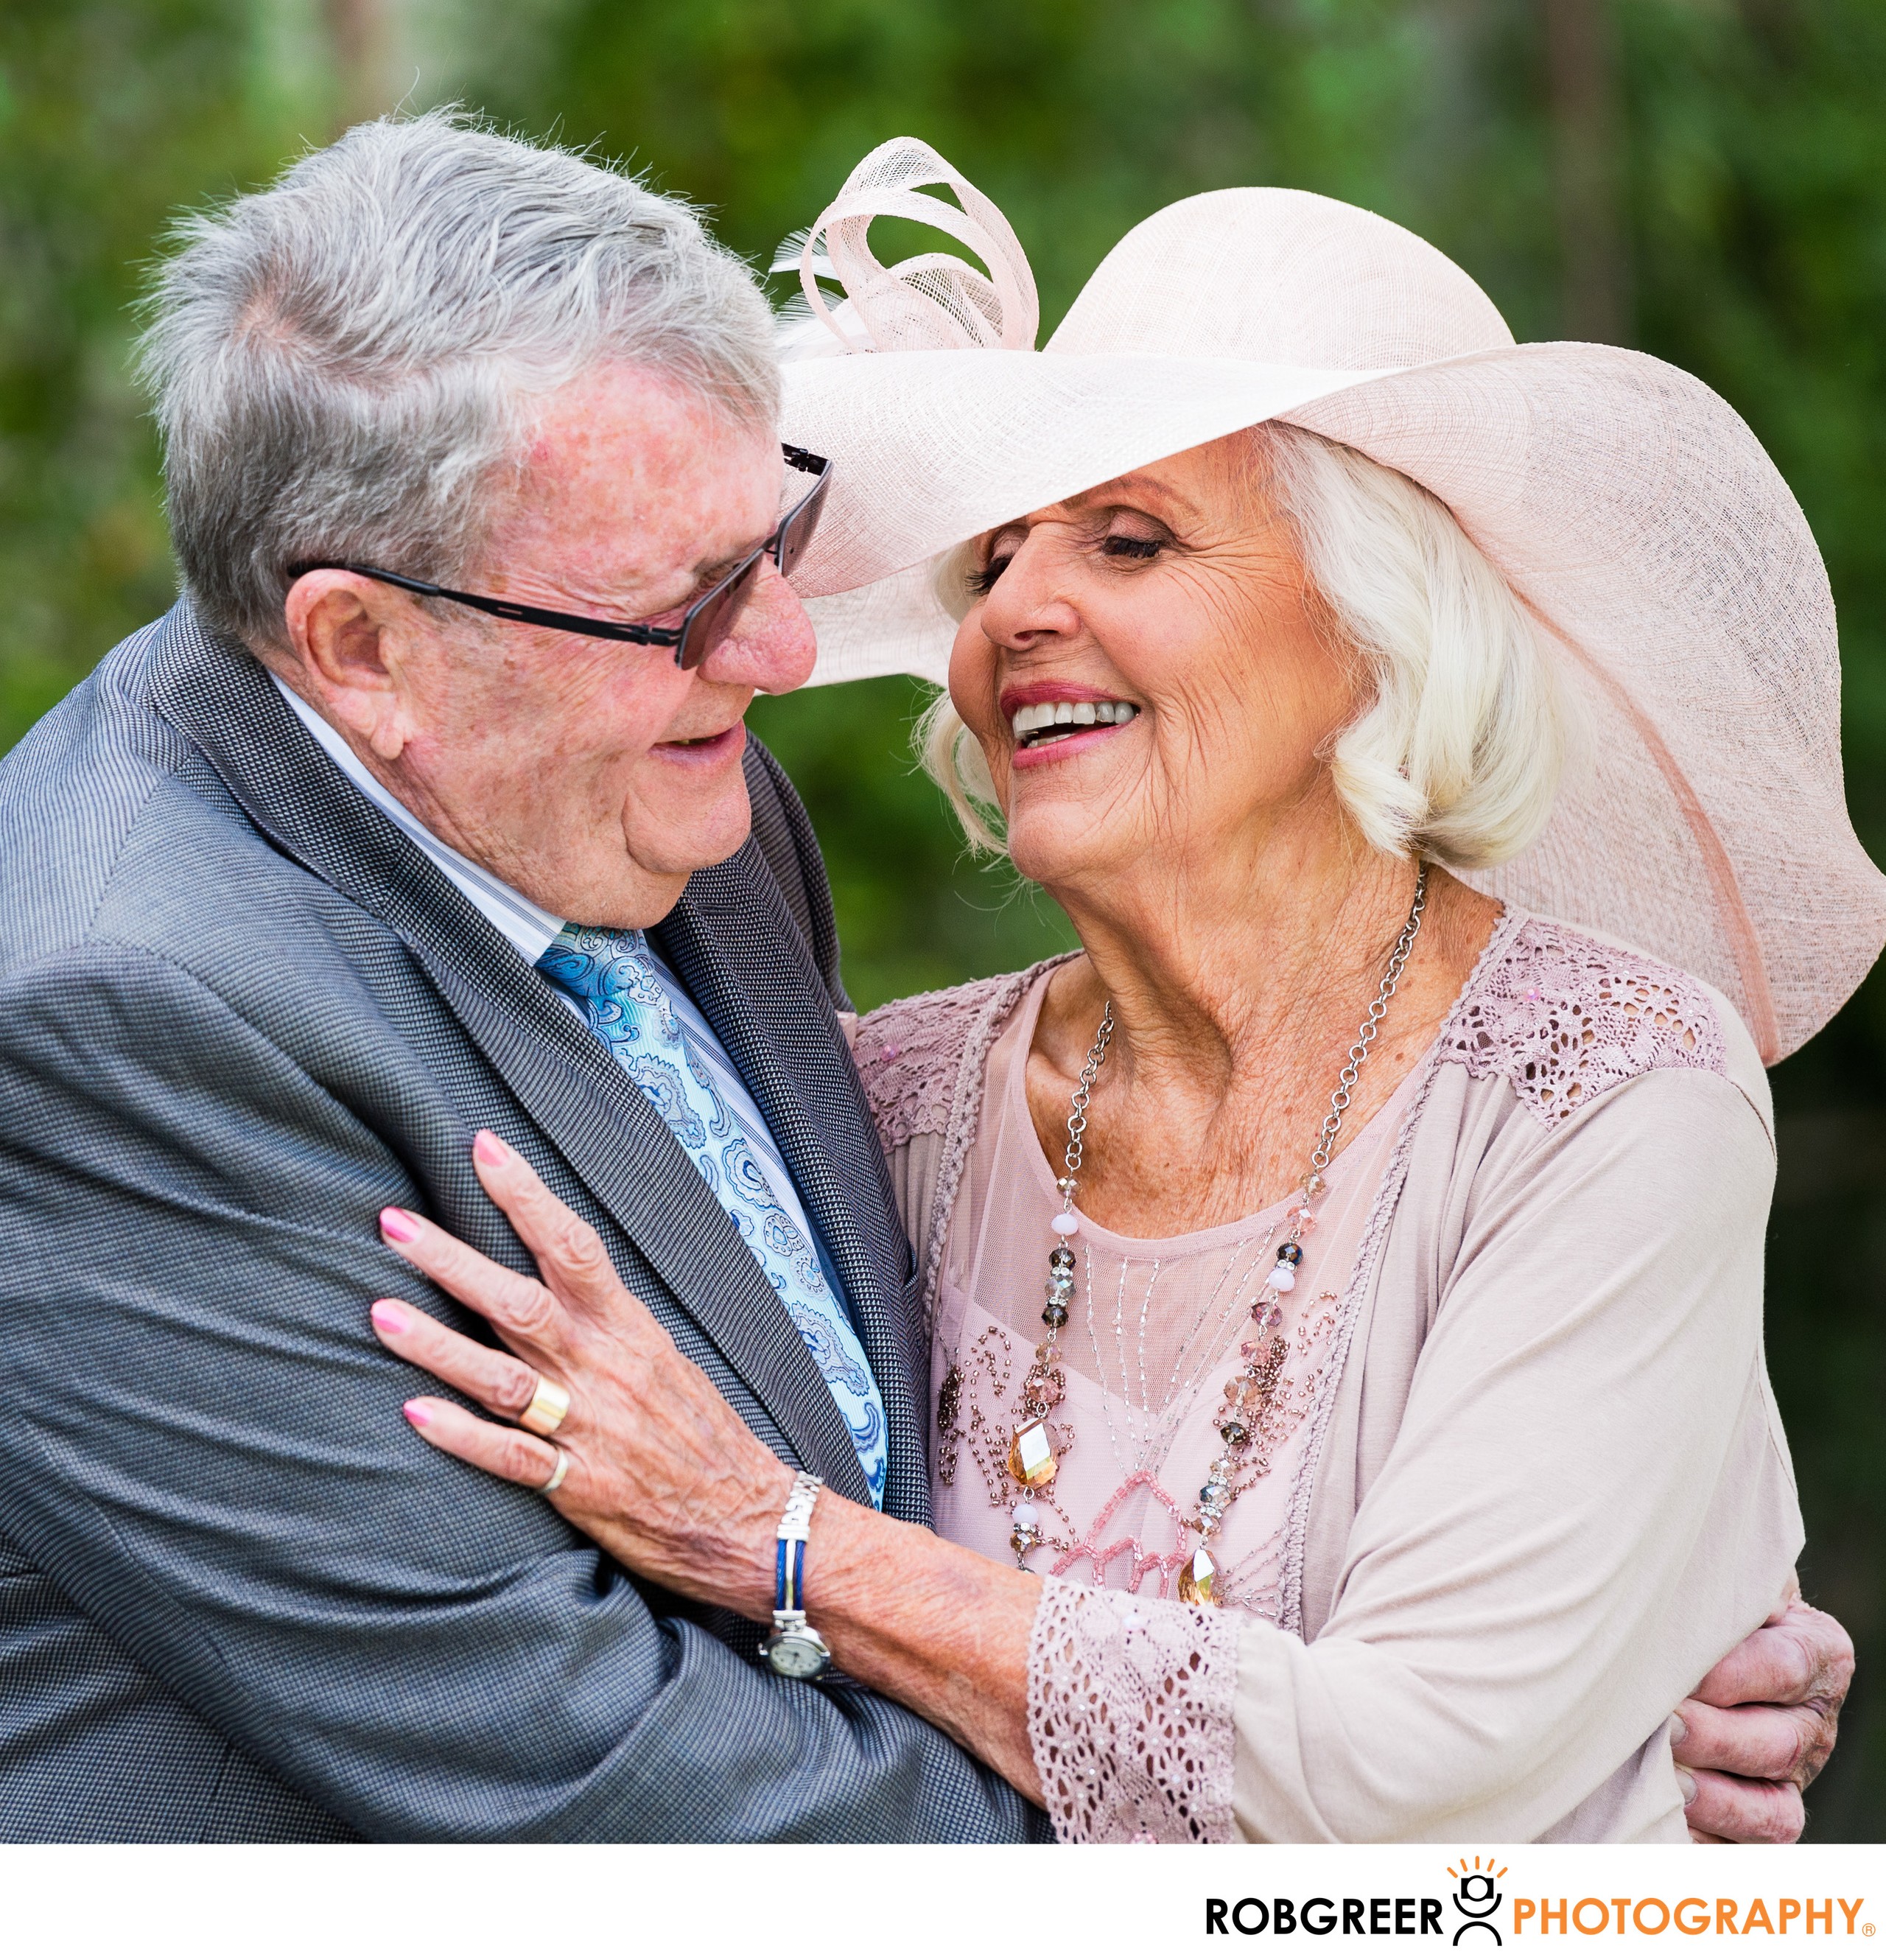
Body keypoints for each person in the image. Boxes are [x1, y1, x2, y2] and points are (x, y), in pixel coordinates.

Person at [369, 141, 1873, 1842]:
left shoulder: (1604, 1097)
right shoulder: (894, 1103)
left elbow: (1406, 1775)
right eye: (994, 556)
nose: (1016, 606)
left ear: (1375, 637)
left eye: (1132, 541)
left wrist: (783, 1541)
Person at [0, 113, 1044, 1841]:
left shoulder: (647, 773)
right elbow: (590, 1771)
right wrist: (1251, 1832)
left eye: (770, 536)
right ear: (364, 647)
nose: (780, 653)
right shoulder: (115, 1025)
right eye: (688, 602)